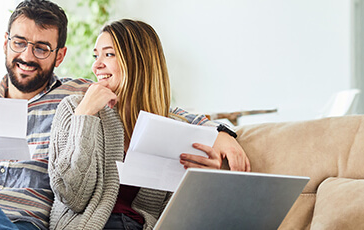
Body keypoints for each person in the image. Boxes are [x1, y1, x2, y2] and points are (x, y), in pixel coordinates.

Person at [0, 1, 250, 230]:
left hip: (25, 221)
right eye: (19, 43)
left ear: (59, 55)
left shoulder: (79, 96)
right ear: (5, 44)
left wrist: (220, 131)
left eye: (41, 48)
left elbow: (149, 103)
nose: (27, 55)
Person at [48, 19, 250, 230]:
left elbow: (179, 214)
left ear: (137, 61)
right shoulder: (75, 109)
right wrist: (84, 118)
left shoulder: (170, 126)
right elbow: (70, 196)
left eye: (108, 54)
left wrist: (201, 178)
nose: (96, 65)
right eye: (95, 55)